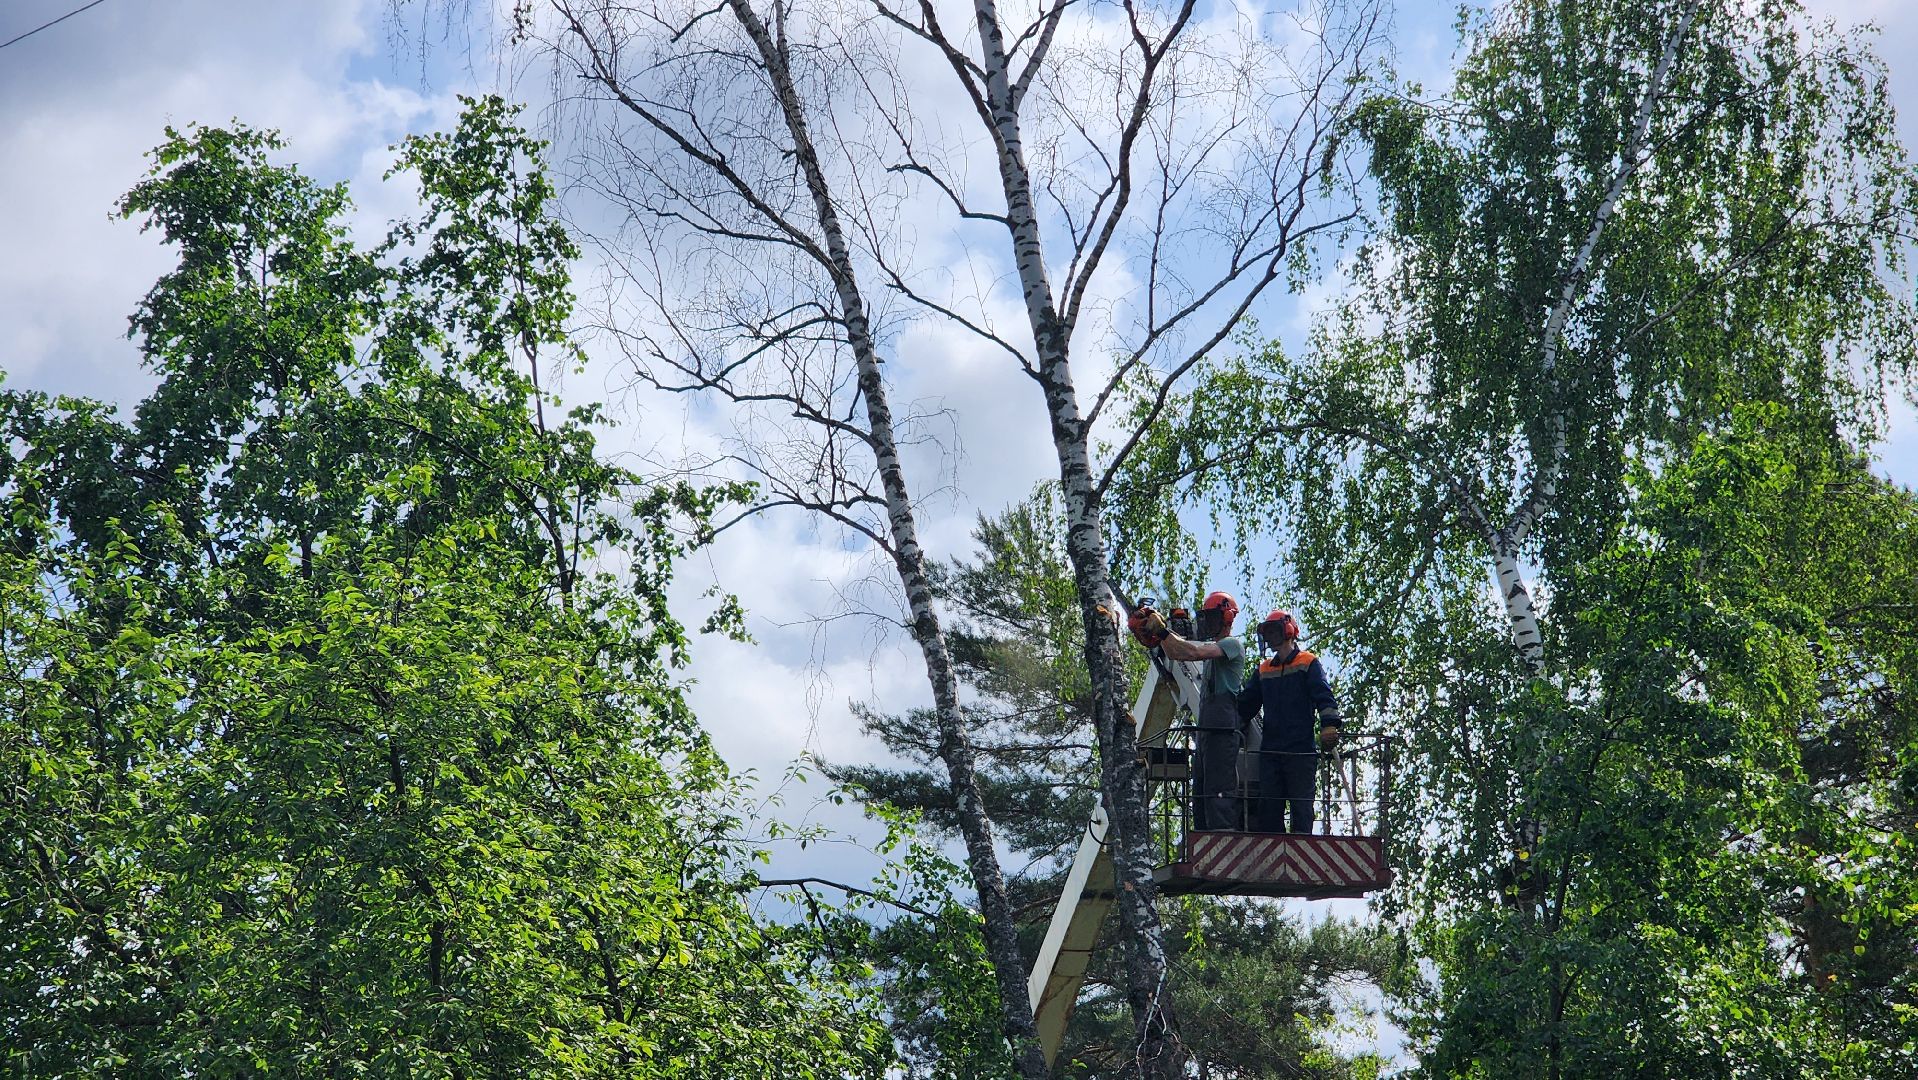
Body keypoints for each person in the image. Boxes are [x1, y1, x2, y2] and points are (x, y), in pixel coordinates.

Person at [1237, 610, 1342, 834]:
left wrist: (1329, 724)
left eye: (1274, 631)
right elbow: (1246, 705)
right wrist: (1228, 723)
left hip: (1300, 751)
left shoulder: (1308, 663)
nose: (1270, 637)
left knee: (1301, 807)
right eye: (1267, 633)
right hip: (1271, 752)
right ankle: (1273, 852)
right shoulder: (1264, 669)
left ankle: (1301, 849)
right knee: (1269, 807)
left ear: (1288, 631)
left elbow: (1324, 696)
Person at [1156, 591, 1247, 830]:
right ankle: (1204, 835)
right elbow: (1177, 652)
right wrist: (1160, 635)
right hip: (1207, 730)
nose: (1208, 622)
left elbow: (1192, 652)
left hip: (1222, 728)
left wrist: (1163, 632)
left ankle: (1222, 837)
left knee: (1218, 789)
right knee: (1201, 792)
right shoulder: (1211, 651)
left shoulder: (1231, 645)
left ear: (1226, 617)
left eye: (1213, 616)